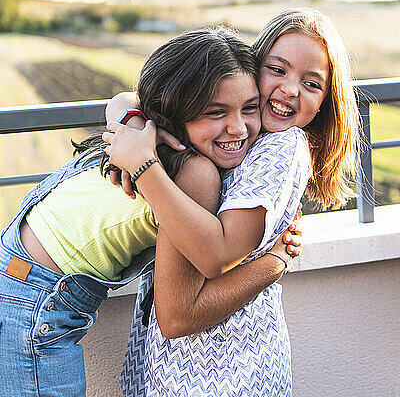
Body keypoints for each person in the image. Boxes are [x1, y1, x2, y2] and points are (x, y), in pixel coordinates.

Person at [0, 27, 302, 397]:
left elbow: (122, 99)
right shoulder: (195, 172)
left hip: (16, 268)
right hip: (33, 303)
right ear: (177, 110)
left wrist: (131, 121)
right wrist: (277, 259)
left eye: (249, 108)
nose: (238, 127)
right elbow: (204, 274)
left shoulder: (146, 134)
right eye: (215, 112)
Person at [104, 8, 360, 397]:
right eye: (277, 70)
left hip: (222, 369)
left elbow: (206, 270)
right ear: (251, 68)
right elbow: (128, 98)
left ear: (326, 100)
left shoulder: (282, 145)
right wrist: (136, 123)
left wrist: (144, 166)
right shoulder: (242, 132)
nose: (291, 89)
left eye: (311, 83)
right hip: (190, 364)